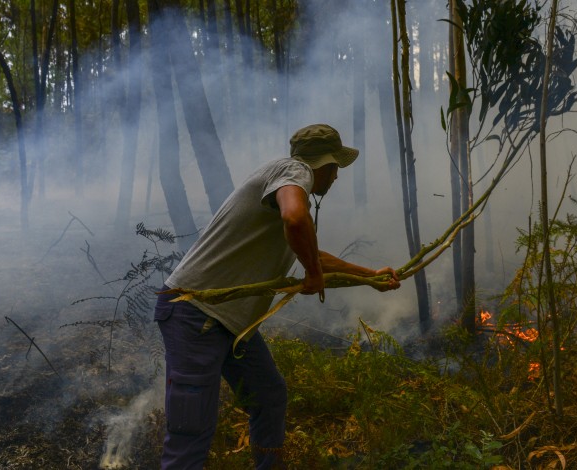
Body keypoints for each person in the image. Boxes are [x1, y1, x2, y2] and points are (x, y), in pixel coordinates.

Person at [153, 123, 400, 469]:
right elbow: (297, 220)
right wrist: (313, 274)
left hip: (230, 323)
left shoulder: (284, 186)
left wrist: (370, 277)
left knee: (268, 396)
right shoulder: (293, 172)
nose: (337, 177)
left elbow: (311, 252)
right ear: (323, 164)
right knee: (191, 429)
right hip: (196, 313)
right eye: (335, 168)